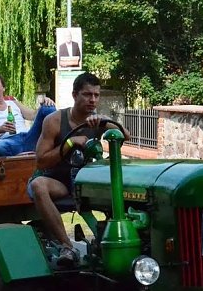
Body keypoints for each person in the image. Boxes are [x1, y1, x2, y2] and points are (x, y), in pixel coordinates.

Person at [29, 72, 129, 268]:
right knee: (38, 185)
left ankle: (114, 242)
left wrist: (106, 121)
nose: (93, 100)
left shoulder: (98, 121)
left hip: (86, 182)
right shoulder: (54, 120)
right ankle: (67, 246)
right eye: (87, 94)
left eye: (96, 95)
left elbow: (125, 136)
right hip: (57, 181)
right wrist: (69, 143)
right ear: (75, 95)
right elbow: (41, 161)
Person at [0, 73, 56, 157]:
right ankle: (22, 157)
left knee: (48, 108)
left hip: (28, 138)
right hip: (7, 142)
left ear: (3, 88)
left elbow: (33, 115)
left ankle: (59, 143)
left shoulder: (13, 103)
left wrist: (44, 103)